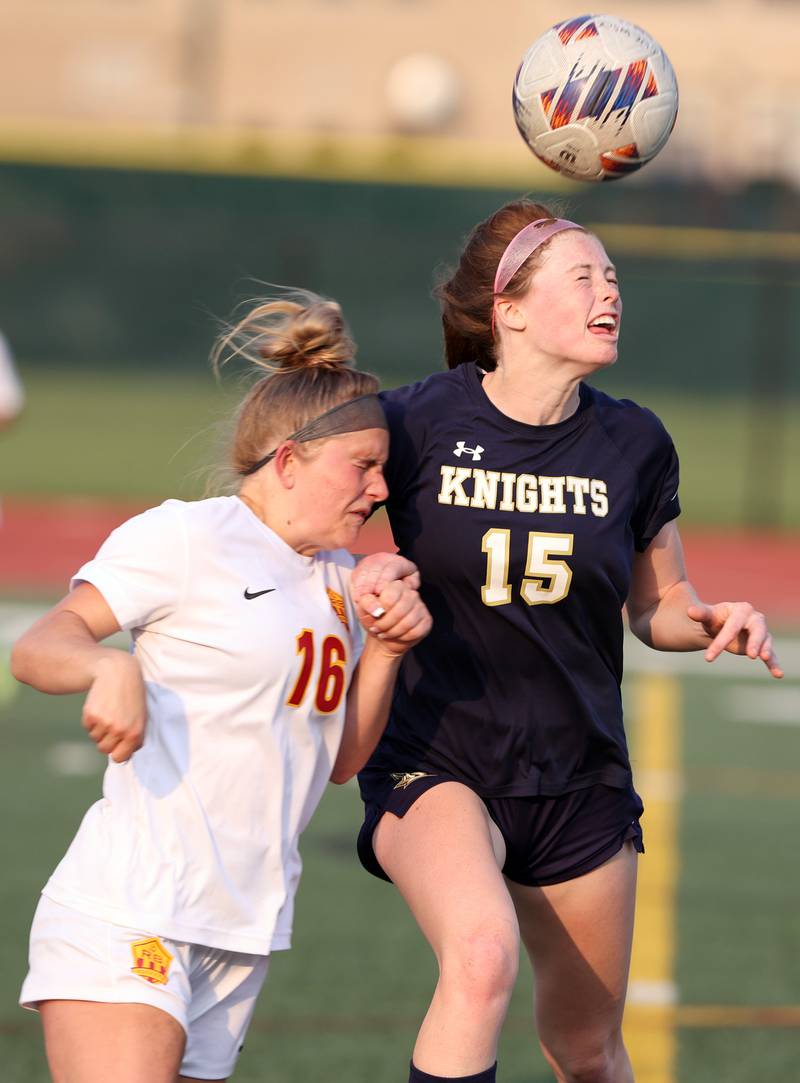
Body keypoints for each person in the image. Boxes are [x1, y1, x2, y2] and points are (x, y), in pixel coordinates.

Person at [350, 201, 783, 1083]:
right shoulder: (415, 424)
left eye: (613, 276)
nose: (609, 291)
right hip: (437, 757)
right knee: (480, 957)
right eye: (583, 275)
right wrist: (354, 579)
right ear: (508, 308)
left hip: (578, 772)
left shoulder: (635, 440)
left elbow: (657, 605)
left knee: (586, 1049)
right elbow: (309, 516)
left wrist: (707, 620)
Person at [11, 291, 431, 1083]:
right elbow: (40, 645)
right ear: (288, 460)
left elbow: (339, 761)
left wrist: (383, 652)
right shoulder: (188, 536)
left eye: (384, 469)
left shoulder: (342, 583)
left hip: (244, 928)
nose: (379, 489)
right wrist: (109, 665)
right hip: (133, 905)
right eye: (363, 466)